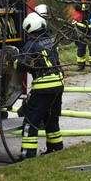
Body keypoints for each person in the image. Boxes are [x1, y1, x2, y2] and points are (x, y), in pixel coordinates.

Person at [15, 12, 64, 160]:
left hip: (44, 86)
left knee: (31, 121)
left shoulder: (31, 44)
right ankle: (56, 148)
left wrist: (14, 61)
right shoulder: (51, 40)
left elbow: (23, 65)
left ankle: (27, 155)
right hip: (58, 83)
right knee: (51, 118)